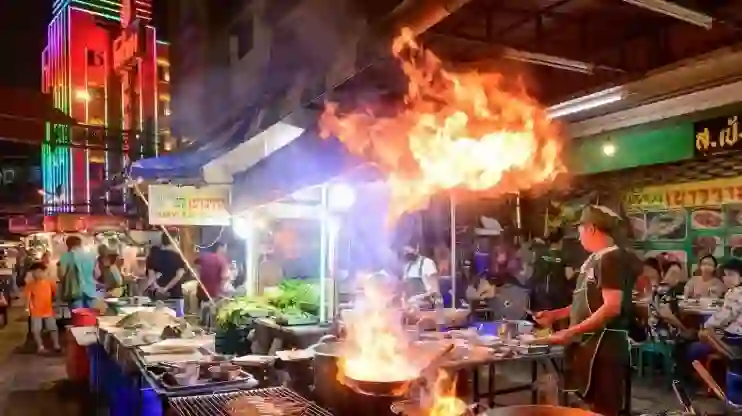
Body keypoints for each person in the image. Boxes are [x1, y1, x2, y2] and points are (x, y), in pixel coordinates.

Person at [534, 205, 641, 415]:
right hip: (589, 346)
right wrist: (555, 315)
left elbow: (611, 307)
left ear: (591, 229)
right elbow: (586, 302)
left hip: (604, 348)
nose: (579, 234)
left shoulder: (611, 258)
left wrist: (570, 332)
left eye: (580, 229)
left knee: (604, 409)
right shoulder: (596, 259)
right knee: (588, 408)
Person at [687, 259, 742, 363]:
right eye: (725, 275)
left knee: (695, 347)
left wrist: (706, 327)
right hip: (734, 336)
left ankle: (695, 376)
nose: (726, 278)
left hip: (735, 340)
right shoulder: (734, 291)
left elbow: (724, 317)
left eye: (731, 275)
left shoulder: (736, 292)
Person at [529, 227, 576, 313]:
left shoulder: (540, 255)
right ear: (561, 241)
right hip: (559, 296)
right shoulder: (564, 257)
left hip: (541, 295)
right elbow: (569, 275)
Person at [24, 262, 61, 353]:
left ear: (44, 272)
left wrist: (56, 305)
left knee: (53, 328)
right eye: (34, 272)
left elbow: (55, 295)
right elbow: (28, 298)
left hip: (48, 310)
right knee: (36, 330)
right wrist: (27, 308)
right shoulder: (30, 285)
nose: (36, 274)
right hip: (35, 311)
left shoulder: (50, 283)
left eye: (38, 272)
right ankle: (40, 347)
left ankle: (56, 345)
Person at [58, 236, 97, 309]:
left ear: (68, 245)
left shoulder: (66, 257)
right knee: (91, 315)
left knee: (79, 317)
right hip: (91, 291)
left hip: (75, 292)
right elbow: (96, 273)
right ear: (80, 244)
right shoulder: (90, 256)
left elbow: (61, 274)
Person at [146, 233, 186, 300]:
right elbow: (179, 275)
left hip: (156, 294)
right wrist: (166, 288)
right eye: (177, 240)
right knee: (175, 310)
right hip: (174, 295)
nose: (178, 243)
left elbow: (151, 278)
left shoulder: (153, 255)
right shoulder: (178, 257)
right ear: (173, 240)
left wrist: (157, 288)